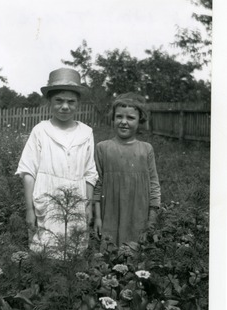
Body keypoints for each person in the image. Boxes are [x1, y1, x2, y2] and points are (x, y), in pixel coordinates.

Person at [16, 68, 98, 257]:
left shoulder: (86, 133)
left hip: (75, 200)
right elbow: (28, 172)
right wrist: (29, 209)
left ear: (78, 103)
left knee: (74, 252)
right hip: (46, 198)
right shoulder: (41, 130)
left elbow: (90, 173)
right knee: (44, 251)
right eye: (59, 101)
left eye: (71, 101)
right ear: (49, 102)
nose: (65, 106)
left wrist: (87, 206)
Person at [93, 92, 161, 247]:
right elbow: (97, 185)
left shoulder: (146, 149)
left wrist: (152, 218)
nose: (124, 122)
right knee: (107, 259)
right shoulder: (102, 148)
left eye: (130, 118)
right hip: (110, 213)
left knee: (136, 259)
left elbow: (154, 184)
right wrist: (97, 218)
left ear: (140, 120)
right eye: (119, 117)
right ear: (113, 118)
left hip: (139, 215)